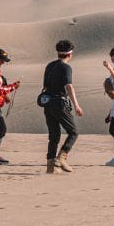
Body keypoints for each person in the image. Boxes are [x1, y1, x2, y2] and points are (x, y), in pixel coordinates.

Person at [42, 39, 83, 174]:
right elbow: (69, 86)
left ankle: (50, 166)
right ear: (70, 54)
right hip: (59, 104)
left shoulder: (49, 65)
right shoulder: (66, 67)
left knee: (54, 135)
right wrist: (76, 105)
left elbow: (45, 86)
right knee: (73, 132)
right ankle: (61, 158)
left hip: (47, 103)